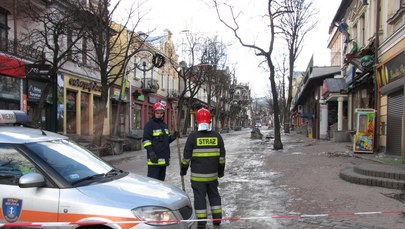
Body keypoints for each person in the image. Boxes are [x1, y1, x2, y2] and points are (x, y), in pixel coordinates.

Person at [180, 108, 226, 229]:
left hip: (197, 177)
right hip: (212, 176)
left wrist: (183, 169)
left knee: (200, 198)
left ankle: (201, 223)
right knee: (214, 196)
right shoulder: (217, 137)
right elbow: (222, 158)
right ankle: (217, 220)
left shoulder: (192, 137)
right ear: (209, 121)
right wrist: (220, 172)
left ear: (197, 121)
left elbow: (186, 158)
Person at [142, 102, 177, 181]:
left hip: (163, 160)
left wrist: (173, 137)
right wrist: (151, 152)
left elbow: (166, 141)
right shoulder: (149, 125)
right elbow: (146, 140)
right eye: (157, 113)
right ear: (154, 113)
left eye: (161, 113)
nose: (159, 114)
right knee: (153, 183)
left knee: (161, 183)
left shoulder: (164, 125)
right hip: (154, 160)